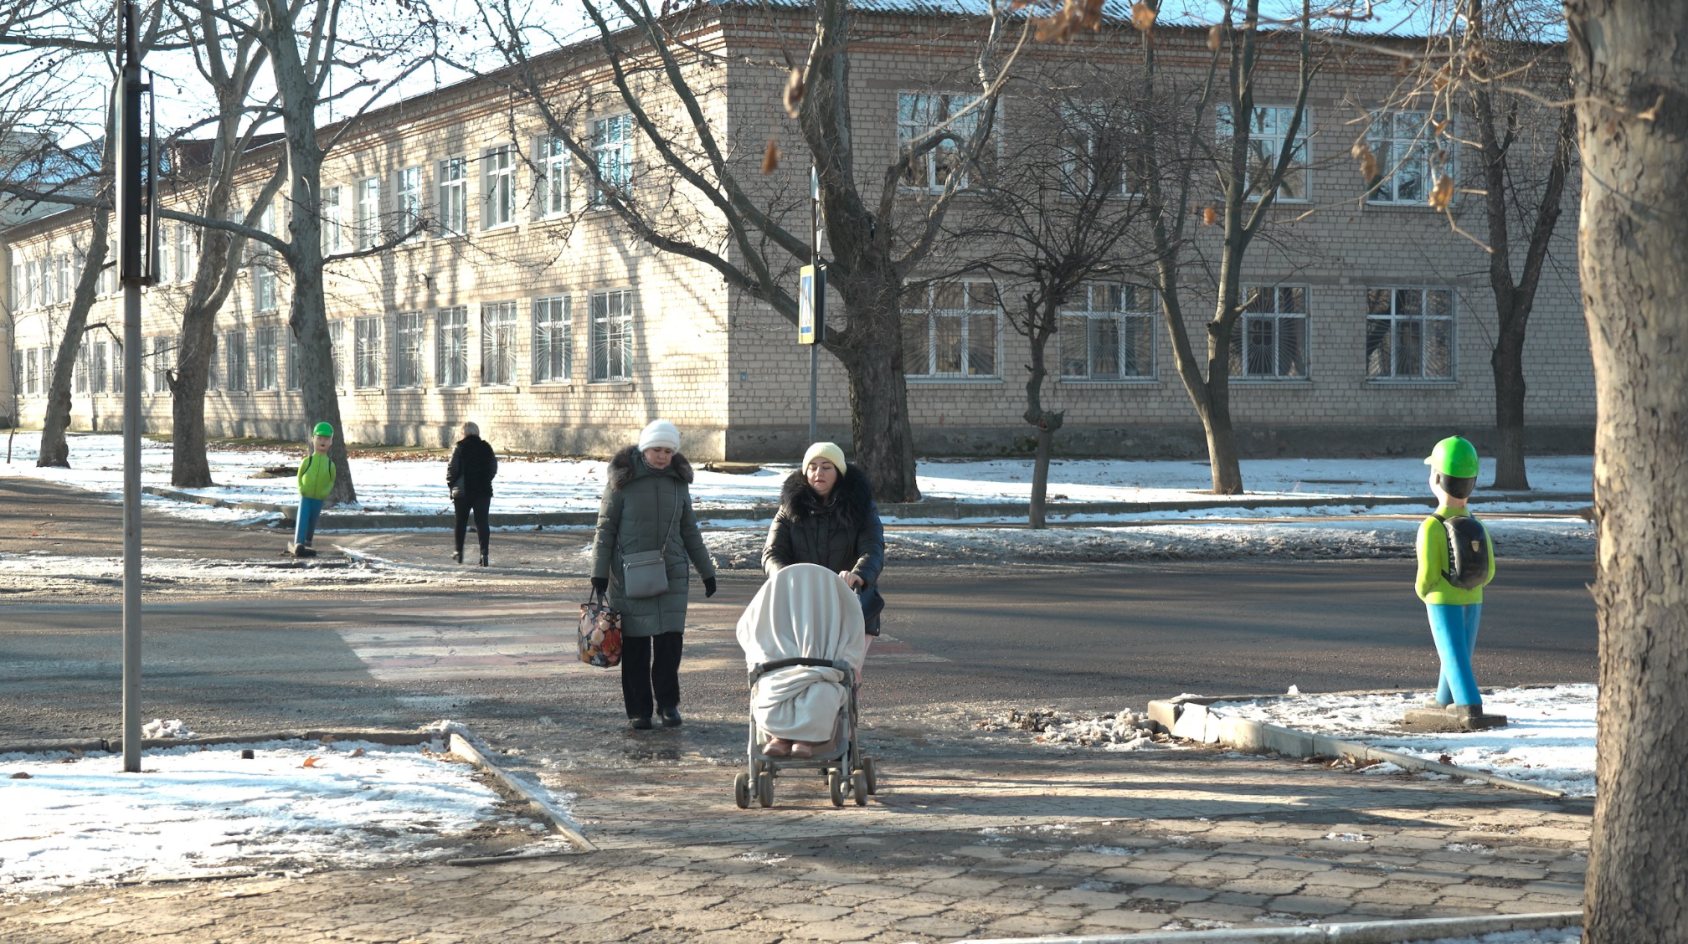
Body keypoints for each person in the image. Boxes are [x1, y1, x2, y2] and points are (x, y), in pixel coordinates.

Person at [760, 442, 885, 757]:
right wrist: (783, 576)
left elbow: (873, 548)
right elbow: (772, 553)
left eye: (826, 466)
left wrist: (858, 574)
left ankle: (827, 738)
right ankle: (784, 736)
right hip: (802, 608)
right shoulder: (791, 508)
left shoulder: (861, 507)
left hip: (849, 607)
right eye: (813, 466)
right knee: (792, 671)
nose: (819, 473)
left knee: (840, 675)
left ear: (838, 471)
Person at [591, 420, 718, 730]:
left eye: (668, 450)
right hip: (629, 575)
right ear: (644, 449)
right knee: (635, 649)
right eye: (656, 450)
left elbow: (689, 530)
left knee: (669, 645)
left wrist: (707, 571)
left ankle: (668, 705)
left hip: (672, 574)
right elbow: (605, 528)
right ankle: (639, 710)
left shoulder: (679, 482)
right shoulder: (622, 481)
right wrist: (599, 573)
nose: (662, 456)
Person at [1416, 435, 1497, 720]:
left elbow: (1426, 573)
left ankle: (1468, 702)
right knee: (1459, 649)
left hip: (1442, 598)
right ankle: (1444, 697)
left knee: (1452, 651)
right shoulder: (1477, 524)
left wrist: (1423, 590)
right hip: (1474, 596)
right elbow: (1491, 571)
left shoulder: (1431, 526)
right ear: (1471, 483)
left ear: (1436, 479)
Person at [447, 421, 498, 566]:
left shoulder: (459, 447)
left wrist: (452, 484)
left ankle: (459, 552)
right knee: (482, 522)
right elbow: (493, 467)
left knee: (461, 521)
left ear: (464, 433)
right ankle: (484, 554)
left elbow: (452, 468)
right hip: (482, 490)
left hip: (463, 491)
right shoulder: (486, 448)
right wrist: (486, 480)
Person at [291, 421, 337, 558]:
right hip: (306, 495)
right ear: (313, 439)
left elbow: (331, 481)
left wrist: (325, 492)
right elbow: (299, 475)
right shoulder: (308, 461)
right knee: (303, 518)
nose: (323, 441)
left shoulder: (330, 465)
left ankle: (308, 541)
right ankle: (299, 542)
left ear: (331, 442)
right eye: (319, 438)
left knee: (313, 520)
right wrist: (301, 487)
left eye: (326, 439)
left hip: (319, 497)